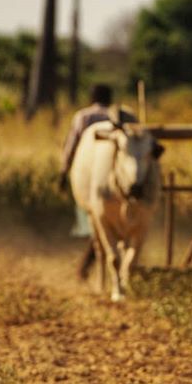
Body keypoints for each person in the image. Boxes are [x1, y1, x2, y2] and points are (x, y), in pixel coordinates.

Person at [59, 84, 136, 278]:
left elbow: (71, 145)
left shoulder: (84, 117)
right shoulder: (126, 116)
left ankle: (85, 269)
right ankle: (89, 267)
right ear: (110, 98)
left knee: (95, 222)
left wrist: (63, 171)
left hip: (88, 175)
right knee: (105, 224)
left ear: (91, 98)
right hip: (122, 177)